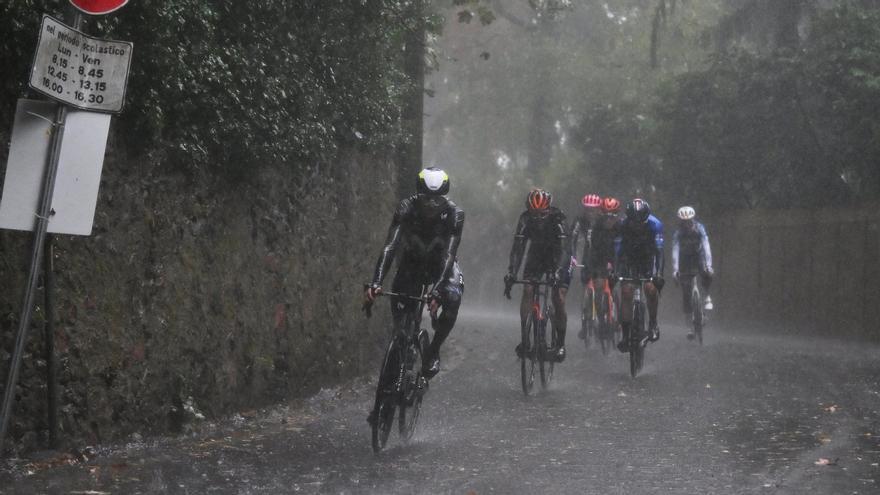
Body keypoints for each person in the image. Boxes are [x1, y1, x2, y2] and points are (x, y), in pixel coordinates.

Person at [364, 167, 464, 380]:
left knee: (453, 298)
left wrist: (437, 291)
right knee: (401, 313)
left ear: (444, 197)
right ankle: (402, 342)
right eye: (426, 198)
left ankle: (434, 349)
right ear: (419, 194)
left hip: (441, 265)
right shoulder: (406, 207)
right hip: (413, 263)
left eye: (437, 200)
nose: (431, 205)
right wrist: (376, 282)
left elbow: (449, 255)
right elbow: (390, 247)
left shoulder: (455, 214)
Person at [504, 188, 570, 362]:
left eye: (542, 214)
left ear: (548, 210)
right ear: (529, 210)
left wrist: (557, 273)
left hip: (557, 256)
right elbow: (518, 248)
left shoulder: (558, 218)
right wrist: (512, 272)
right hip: (536, 256)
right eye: (534, 214)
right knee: (527, 289)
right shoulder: (525, 219)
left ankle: (561, 344)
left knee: (558, 297)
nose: (538, 219)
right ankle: (525, 339)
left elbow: (564, 250)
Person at [614, 198, 664, 352]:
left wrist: (659, 274)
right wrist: (615, 272)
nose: (636, 226)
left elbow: (660, 252)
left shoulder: (655, 225)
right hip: (629, 258)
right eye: (633, 223)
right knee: (626, 291)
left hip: (648, 259)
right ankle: (626, 335)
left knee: (650, 288)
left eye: (640, 222)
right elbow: (617, 250)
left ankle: (653, 323)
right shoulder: (622, 225)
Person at [672, 206, 714, 337]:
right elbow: (675, 251)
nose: (687, 224)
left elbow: (706, 246)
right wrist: (675, 269)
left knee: (707, 272)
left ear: (693, 220)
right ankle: (689, 327)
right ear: (680, 222)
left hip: (699, 255)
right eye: (684, 222)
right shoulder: (678, 233)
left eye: (689, 221)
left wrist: (709, 265)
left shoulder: (699, 228)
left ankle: (707, 296)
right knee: (686, 292)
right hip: (685, 259)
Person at [570, 194, 602, 339]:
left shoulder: (603, 220)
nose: (590, 213)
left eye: (593, 210)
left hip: (603, 256)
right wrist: (573, 257)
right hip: (588, 258)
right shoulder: (579, 221)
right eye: (588, 210)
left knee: (602, 286)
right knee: (586, 292)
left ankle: (607, 316)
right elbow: (573, 238)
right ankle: (584, 325)